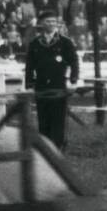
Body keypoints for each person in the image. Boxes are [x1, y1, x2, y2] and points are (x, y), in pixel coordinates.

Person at [24, 10, 79, 150]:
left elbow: (74, 62)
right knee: (43, 121)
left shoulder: (65, 42)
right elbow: (29, 66)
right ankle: (45, 150)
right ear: (42, 24)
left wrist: (73, 80)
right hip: (41, 88)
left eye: (54, 21)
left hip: (59, 87)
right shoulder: (35, 44)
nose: (52, 24)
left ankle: (58, 149)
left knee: (58, 121)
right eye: (48, 21)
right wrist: (29, 84)